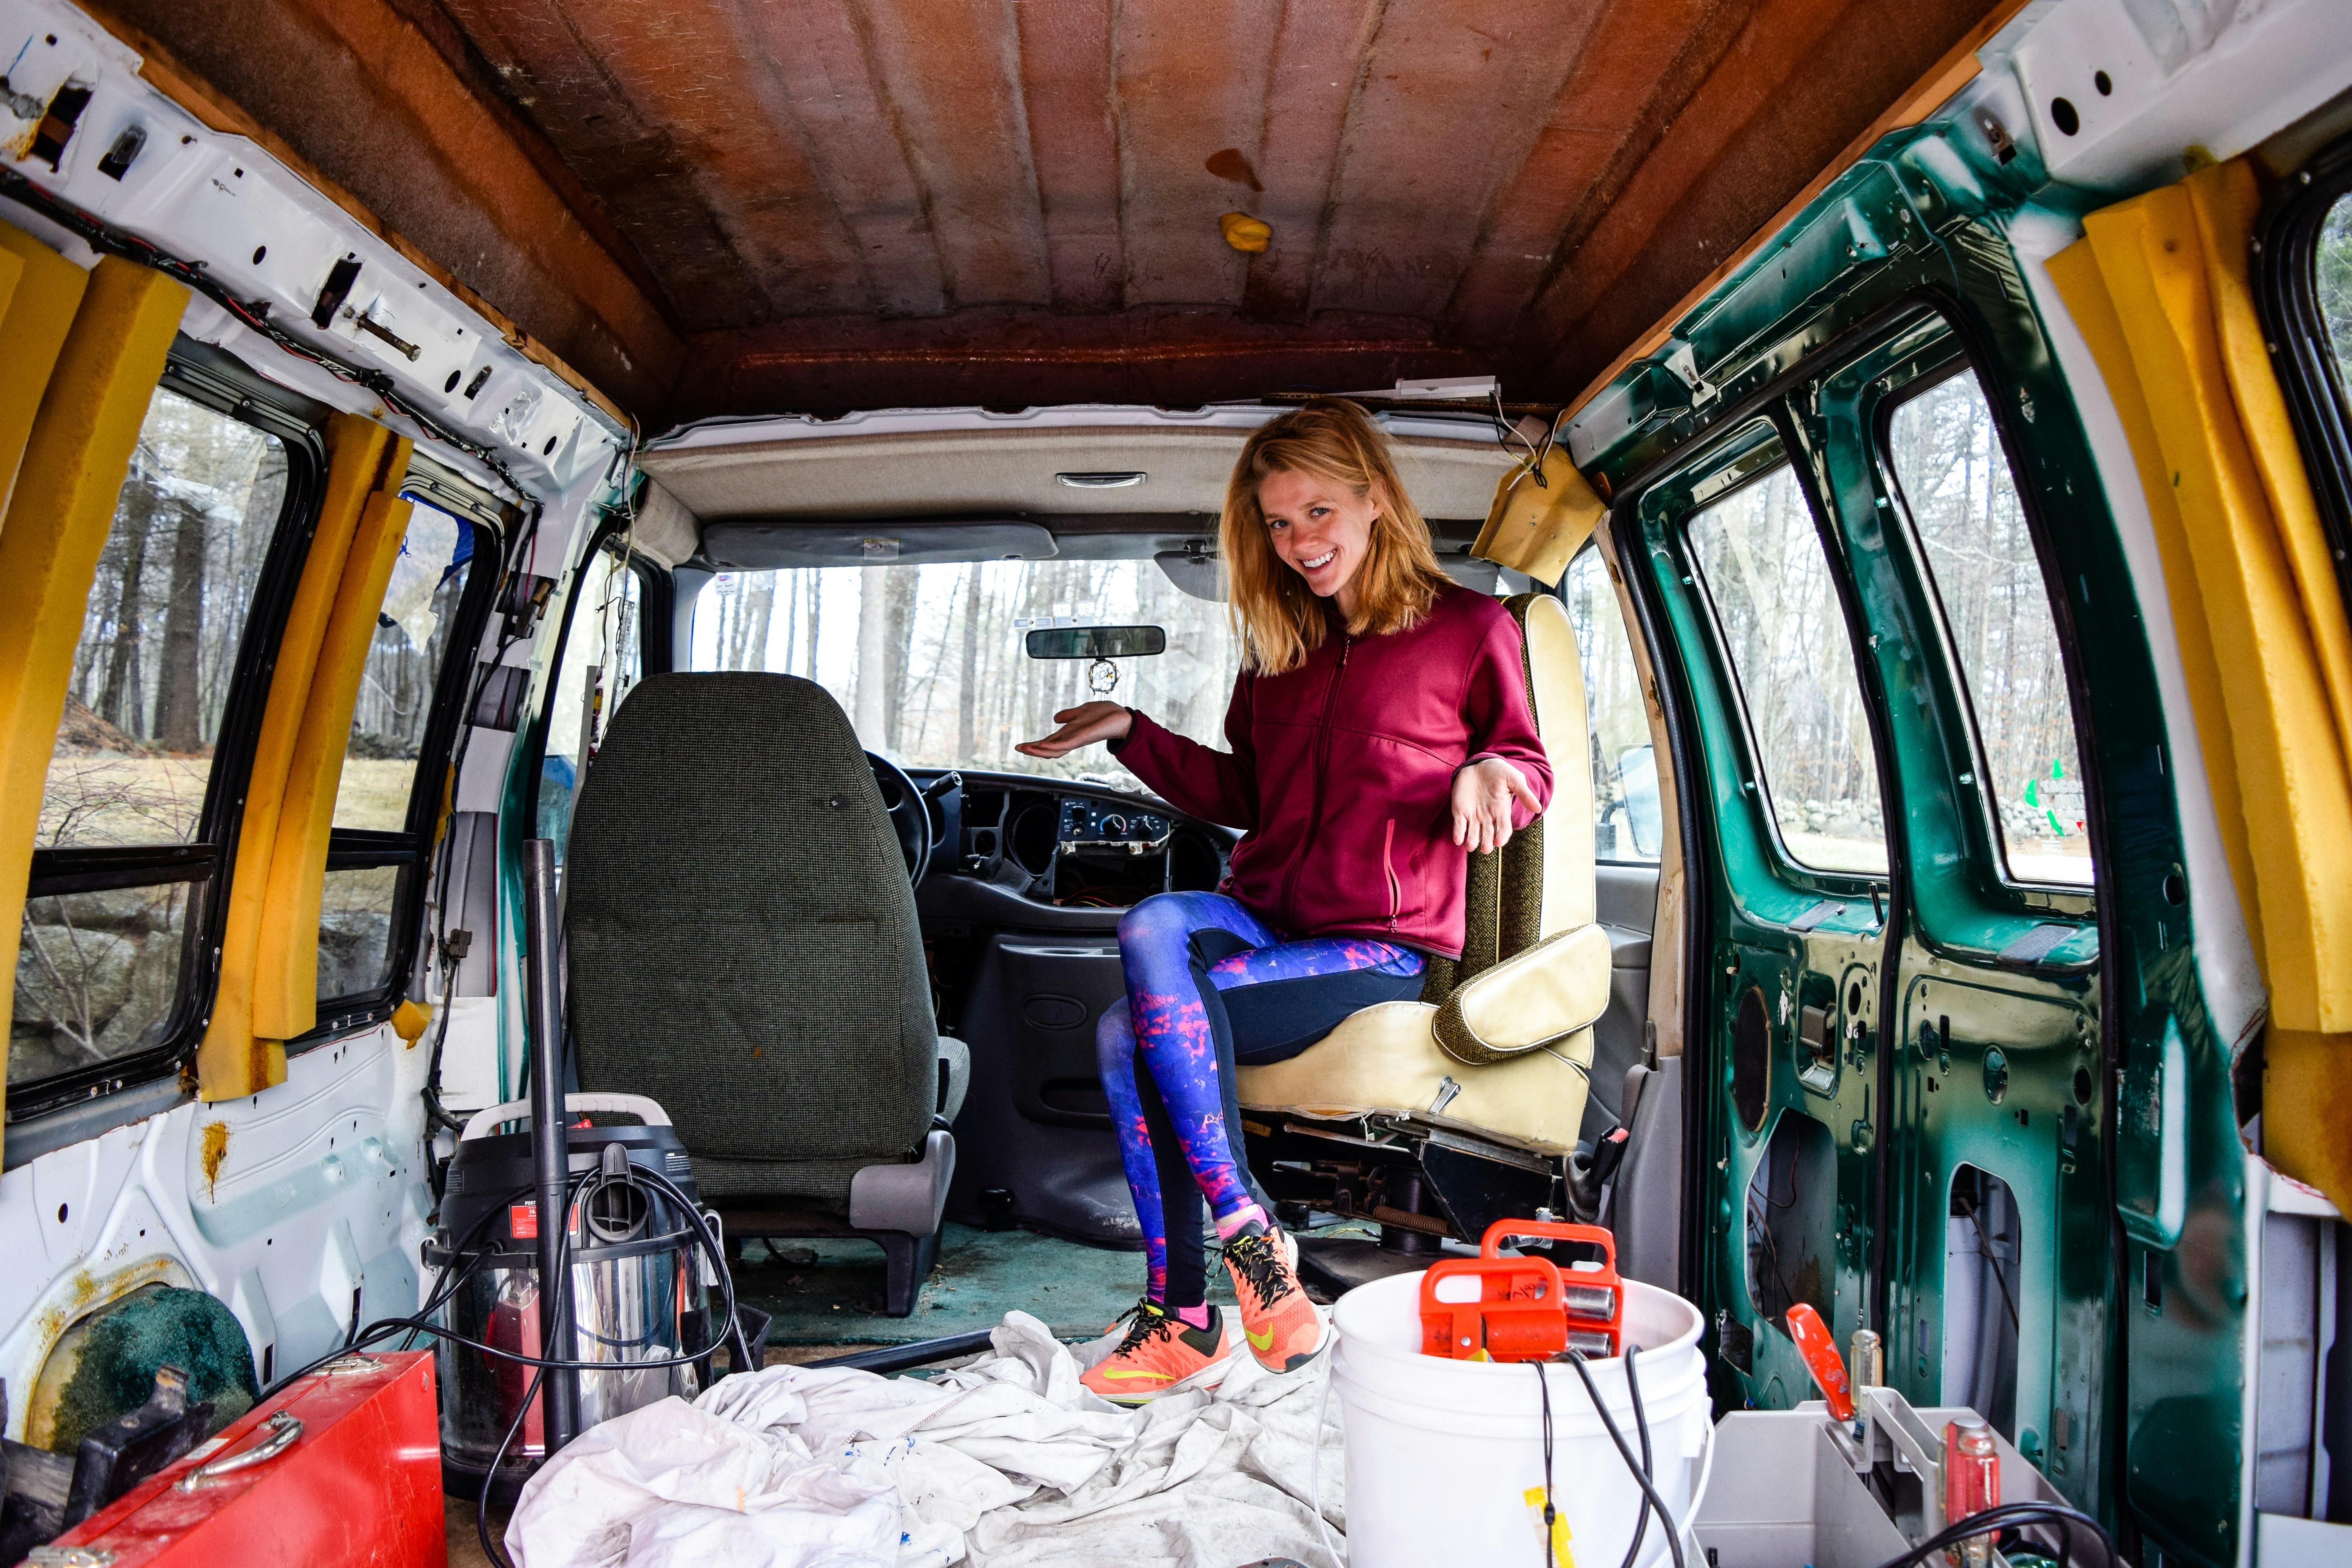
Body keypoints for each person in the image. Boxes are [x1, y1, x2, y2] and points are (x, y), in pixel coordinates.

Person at [1017, 398, 1552, 1403]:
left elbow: (1527, 764)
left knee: (1123, 1033)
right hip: (1263, 917)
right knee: (1151, 923)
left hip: (1377, 944)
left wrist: (1488, 767)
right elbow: (1244, 797)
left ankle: (1185, 1310)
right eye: (1275, 523)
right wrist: (1131, 731)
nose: (1298, 542)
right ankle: (1247, 1239)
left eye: (1315, 512)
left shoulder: (1467, 628)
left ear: (1376, 501)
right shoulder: (1277, 653)